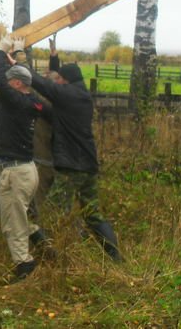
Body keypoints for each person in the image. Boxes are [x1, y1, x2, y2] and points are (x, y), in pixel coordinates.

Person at [27, 49, 124, 262]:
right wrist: (32, 100)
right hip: (87, 166)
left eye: (61, 79)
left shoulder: (71, 94)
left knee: (53, 208)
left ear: (68, 80)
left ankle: (54, 256)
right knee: (93, 214)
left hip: (73, 166)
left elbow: (44, 85)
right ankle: (115, 257)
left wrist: (18, 61)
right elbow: (49, 110)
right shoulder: (79, 97)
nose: (58, 82)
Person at [0, 35, 53, 281]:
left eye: (10, 81)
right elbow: (10, 77)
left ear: (16, 84)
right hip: (19, 170)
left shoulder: (16, 100)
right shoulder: (29, 100)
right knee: (12, 220)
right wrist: (16, 55)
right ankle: (37, 235)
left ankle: (25, 267)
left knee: (13, 224)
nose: (5, 83)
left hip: (18, 172)